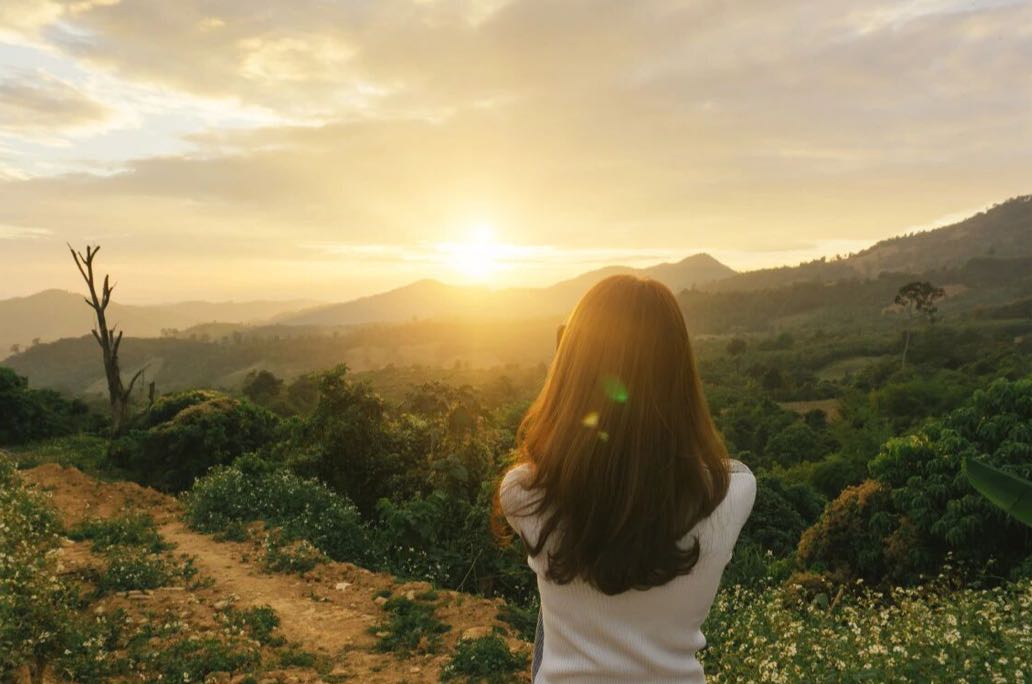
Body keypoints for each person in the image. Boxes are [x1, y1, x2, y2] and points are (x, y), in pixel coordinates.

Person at [496, 274, 756, 683]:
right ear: (679, 374)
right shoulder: (731, 493)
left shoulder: (523, 493)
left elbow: (577, 479)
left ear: (570, 374)